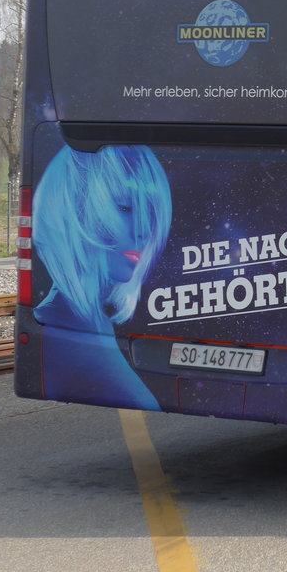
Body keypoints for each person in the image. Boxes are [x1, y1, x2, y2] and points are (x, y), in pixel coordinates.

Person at [32, 144, 173, 409]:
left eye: (150, 213)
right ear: (75, 207)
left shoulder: (87, 321)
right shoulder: (65, 332)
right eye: (125, 208)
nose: (144, 230)